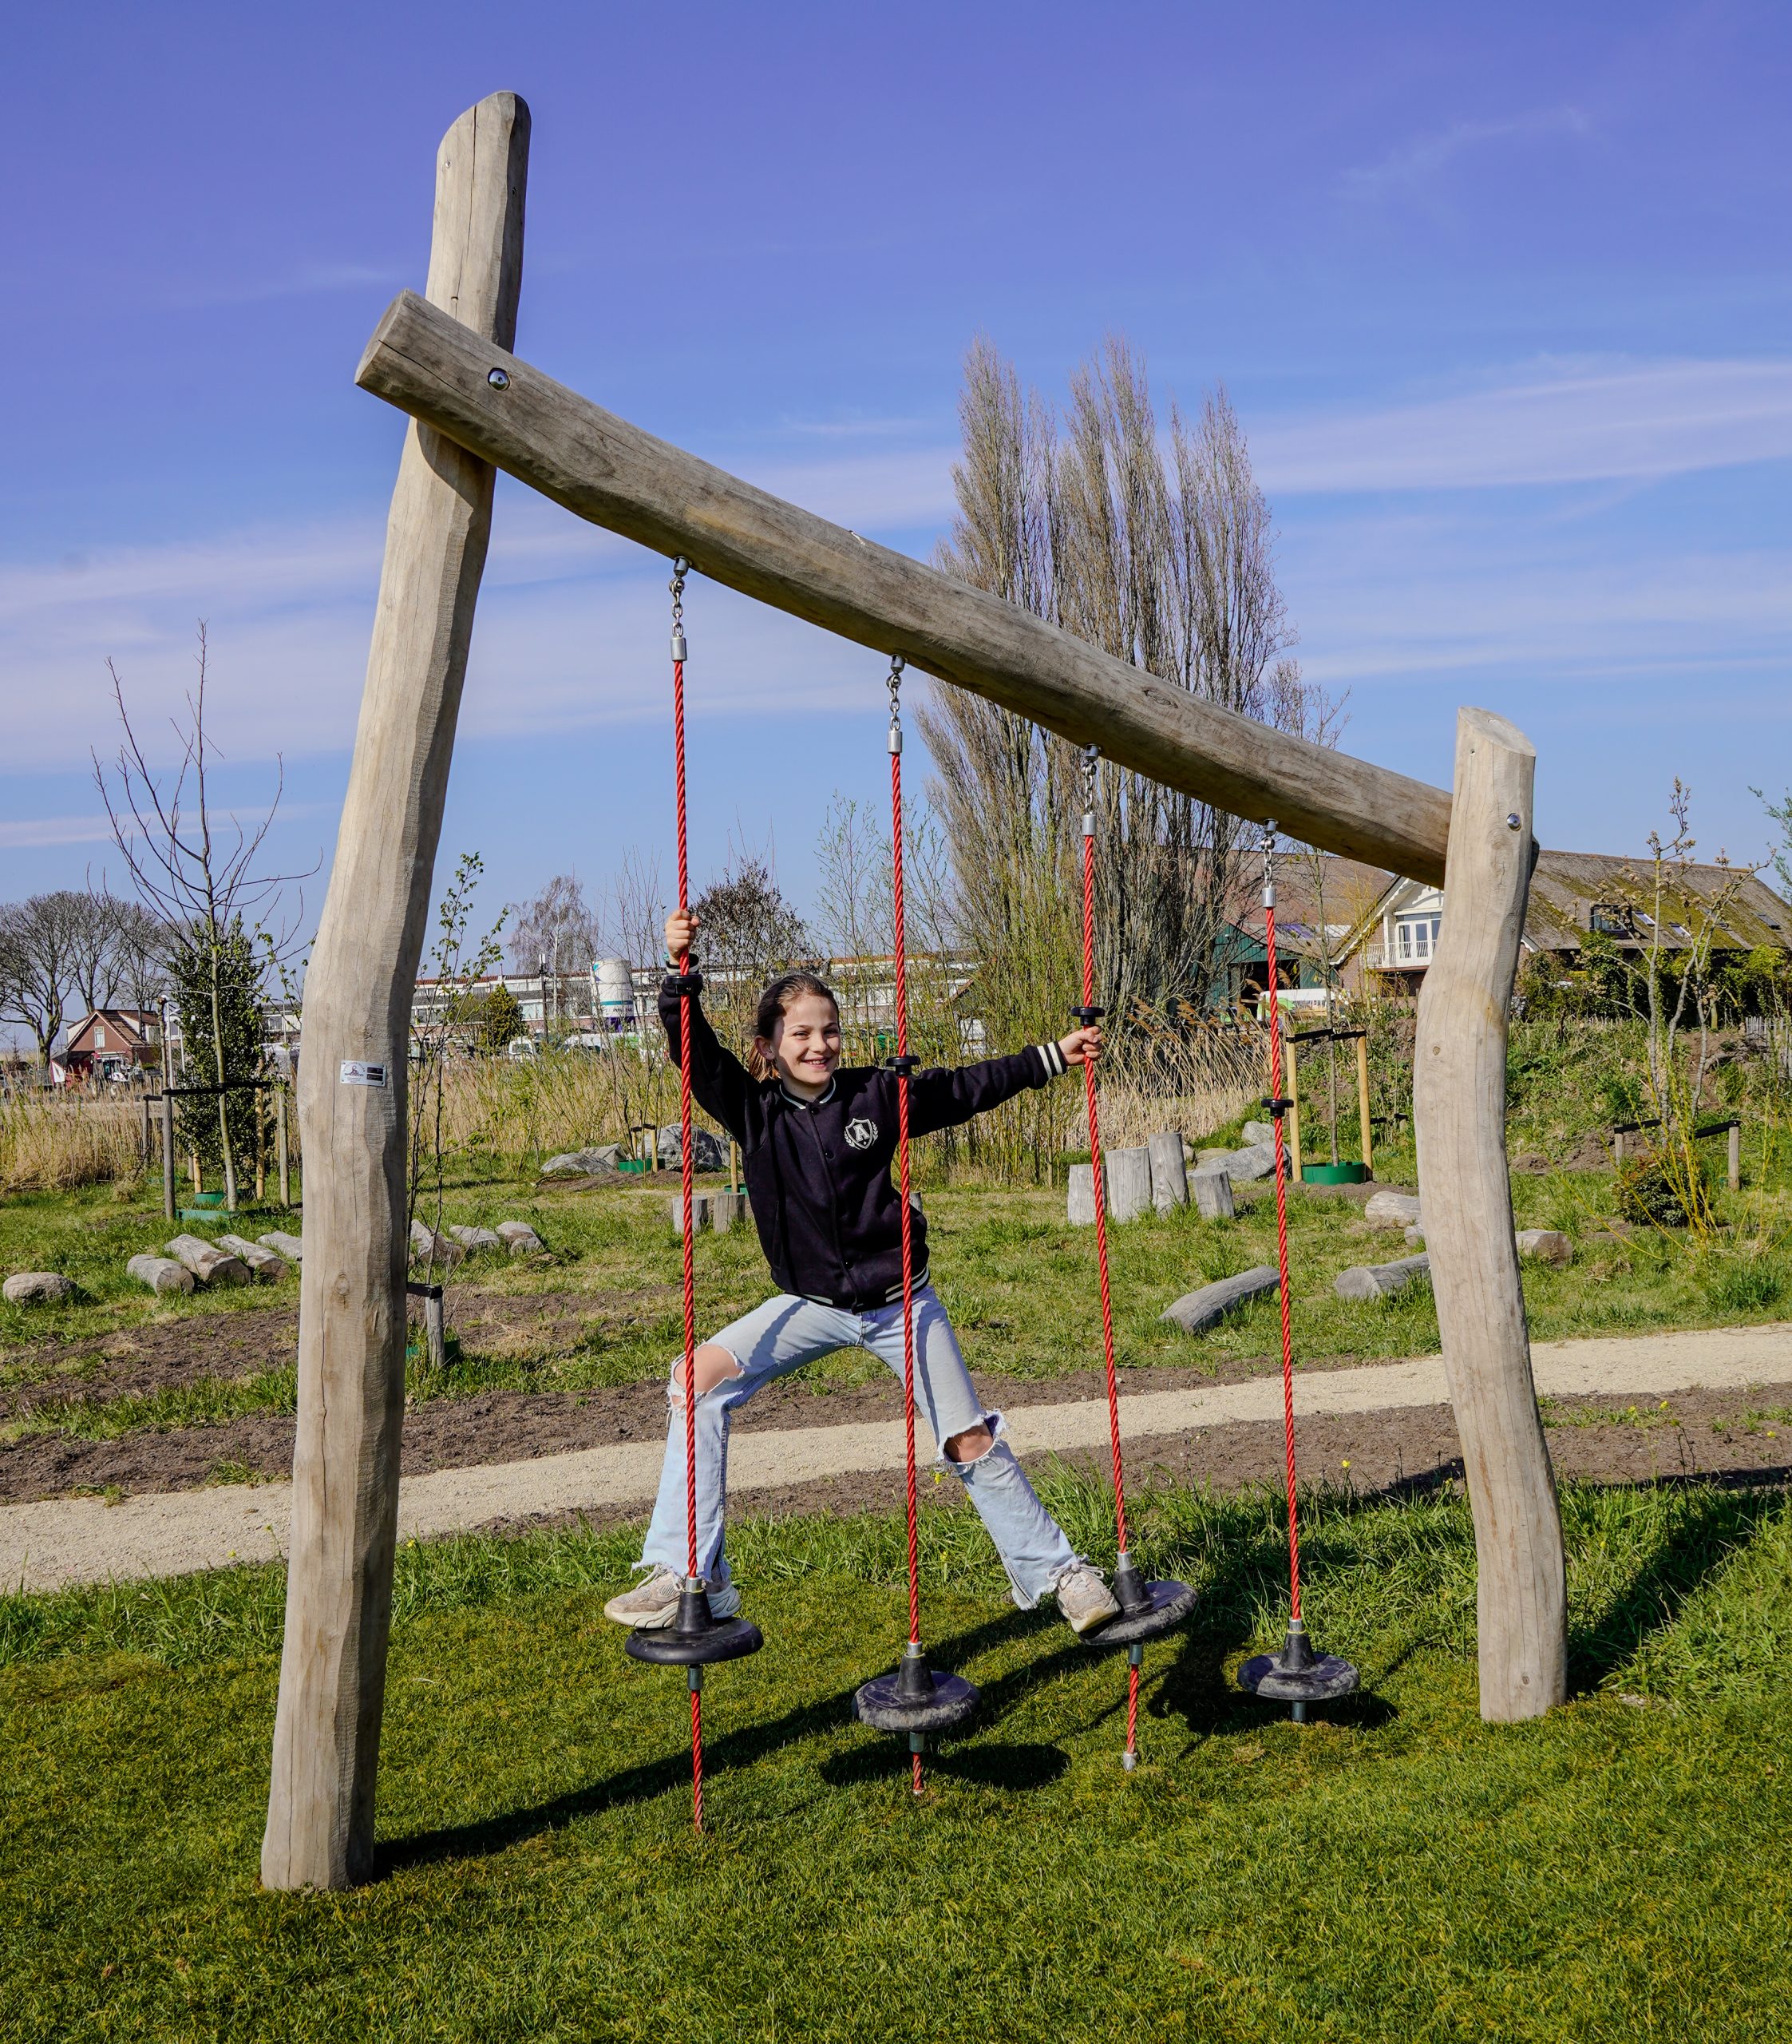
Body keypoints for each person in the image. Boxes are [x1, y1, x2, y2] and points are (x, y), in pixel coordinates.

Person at [603, 906, 1122, 1638]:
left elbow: (965, 1088)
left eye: (829, 1030)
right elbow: (693, 1052)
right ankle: (690, 1573)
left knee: (967, 1439)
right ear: (769, 1047)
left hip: (899, 1302)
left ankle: (1063, 1575)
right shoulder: (751, 1113)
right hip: (809, 1302)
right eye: (802, 1034)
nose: (819, 1045)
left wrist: (1052, 1055)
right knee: (696, 1380)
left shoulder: (875, 1097)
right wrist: (678, 975)